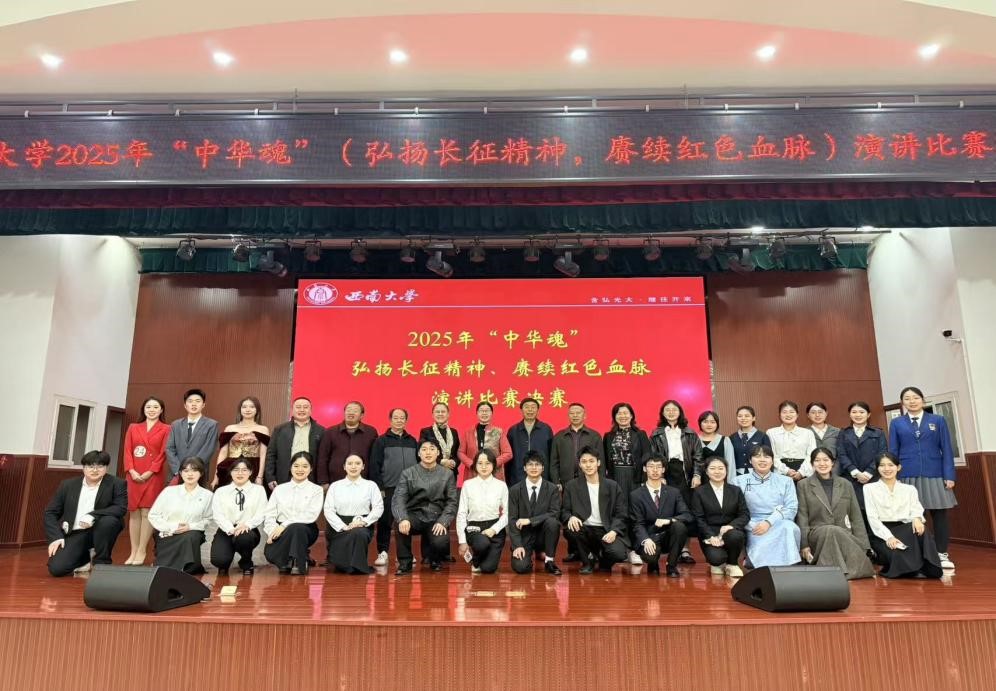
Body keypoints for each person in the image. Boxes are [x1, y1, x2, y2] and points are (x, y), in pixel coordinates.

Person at [888, 386, 957, 570]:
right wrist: (893, 476)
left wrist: (949, 475)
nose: (912, 401)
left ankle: (942, 554)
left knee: (939, 515)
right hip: (907, 474)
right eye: (907, 398)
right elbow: (893, 451)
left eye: (915, 397)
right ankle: (920, 555)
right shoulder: (897, 423)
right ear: (902, 402)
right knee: (913, 516)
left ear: (923, 400)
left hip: (935, 473)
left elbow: (947, 449)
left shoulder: (938, 420)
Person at [44, 450, 127, 577]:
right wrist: (56, 537)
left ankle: (101, 562)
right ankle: (85, 558)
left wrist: (93, 515)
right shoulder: (68, 485)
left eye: (100, 466)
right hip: (76, 532)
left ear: (106, 468)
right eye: (90, 466)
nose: (95, 470)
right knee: (57, 569)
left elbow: (120, 508)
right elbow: (50, 512)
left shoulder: (117, 483)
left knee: (108, 521)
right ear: (83, 467)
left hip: (101, 529)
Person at [796, 448, 874, 580]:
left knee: (834, 531)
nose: (822, 463)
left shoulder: (845, 484)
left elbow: (856, 517)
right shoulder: (803, 485)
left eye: (826, 460)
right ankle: (841, 574)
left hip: (843, 534)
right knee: (830, 530)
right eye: (817, 460)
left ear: (832, 463)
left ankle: (831, 575)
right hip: (817, 535)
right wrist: (804, 545)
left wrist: (864, 546)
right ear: (812, 464)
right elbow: (802, 517)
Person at [864, 452, 943, 579]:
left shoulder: (909, 489)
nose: (887, 469)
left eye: (891, 465)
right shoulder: (869, 488)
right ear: (877, 468)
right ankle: (913, 568)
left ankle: (930, 567)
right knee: (897, 553)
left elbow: (916, 508)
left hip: (905, 529)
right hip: (881, 533)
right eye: (882, 465)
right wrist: (889, 537)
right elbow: (872, 518)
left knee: (922, 530)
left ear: (898, 467)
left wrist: (917, 518)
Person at [392, 439, 459, 575]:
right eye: (424, 449)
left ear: (438, 453)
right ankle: (405, 563)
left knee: (441, 541)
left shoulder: (447, 474)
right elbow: (399, 498)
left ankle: (435, 560)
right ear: (419, 453)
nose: (428, 452)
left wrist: (443, 521)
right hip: (414, 515)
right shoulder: (408, 473)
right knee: (399, 523)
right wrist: (402, 518)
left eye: (432, 449)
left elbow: (452, 501)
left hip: (436, 517)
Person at [648, 400, 703, 564]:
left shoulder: (690, 433)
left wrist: (697, 475)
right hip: (666, 472)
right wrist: (659, 475)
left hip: (685, 475)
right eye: (667, 410)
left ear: (680, 412)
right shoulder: (656, 434)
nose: (671, 412)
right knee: (666, 510)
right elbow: (654, 456)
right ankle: (669, 548)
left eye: (674, 409)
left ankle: (685, 549)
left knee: (684, 510)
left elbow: (698, 457)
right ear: (662, 413)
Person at [561, 447, 629, 574]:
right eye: (584, 462)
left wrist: (614, 531)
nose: (588, 465)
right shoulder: (571, 486)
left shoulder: (612, 486)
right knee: (572, 529)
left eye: (591, 461)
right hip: (584, 529)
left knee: (619, 554)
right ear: (580, 465)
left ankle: (602, 560)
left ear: (598, 463)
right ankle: (587, 562)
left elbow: (621, 514)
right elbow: (564, 511)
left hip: (606, 529)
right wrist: (570, 517)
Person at [732, 445, 801, 568]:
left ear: (772, 461)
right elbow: (735, 510)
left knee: (789, 527)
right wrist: (753, 525)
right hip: (753, 524)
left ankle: (788, 569)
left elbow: (791, 508)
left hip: (778, 522)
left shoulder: (786, 481)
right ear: (750, 460)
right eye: (757, 456)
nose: (762, 460)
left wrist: (769, 522)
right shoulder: (738, 481)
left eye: (767, 456)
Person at [122, 396, 170, 565]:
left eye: (155, 407)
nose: (151, 410)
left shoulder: (166, 429)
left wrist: (150, 471)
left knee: (146, 512)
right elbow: (127, 450)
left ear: (161, 410)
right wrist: (131, 470)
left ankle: (142, 549)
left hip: (153, 475)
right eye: (148, 406)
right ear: (143, 409)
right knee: (134, 512)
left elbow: (163, 453)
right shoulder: (133, 427)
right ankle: (133, 550)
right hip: (134, 474)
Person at [369, 408, 419, 567]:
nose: (399, 420)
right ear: (390, 420)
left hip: (409, 489)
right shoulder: (381, 441)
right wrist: (380, 487)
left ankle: (404, 554)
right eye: (396, 418)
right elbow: (374, 465)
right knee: (385, 521)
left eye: (402, 418)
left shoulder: (413, 441)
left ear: (406, 420)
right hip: (388, 487)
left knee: (405, 520)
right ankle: (382, 552)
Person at [603, 402, 652, 565]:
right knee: (617, 512)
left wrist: (644, 480)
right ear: (614, 417)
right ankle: (619, 548)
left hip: (634, 477)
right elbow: (605, 461)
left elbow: (647, 457)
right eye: (619, 413)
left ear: (631, 416)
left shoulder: (640, 434)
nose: (623, 416)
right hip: (615, 478)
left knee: (634, 513)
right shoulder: (608, 436)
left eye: (626, 413)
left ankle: (634, 550)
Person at [148, 457, 213, 575]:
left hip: (191, 533)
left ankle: (186, 568)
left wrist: (190, 526)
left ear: (201, 473)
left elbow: (208, 519)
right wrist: (171, 527)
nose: (190, 474)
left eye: (194, 470)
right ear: (180, 473)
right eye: (186, 470)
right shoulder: (169, 491)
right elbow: (153, 515)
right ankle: (168, 566)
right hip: (168, 531)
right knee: (163, 570)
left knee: (191, 536)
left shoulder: (207, 495)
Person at [264, 451, 323, 575]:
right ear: (290, 467)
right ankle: (298, 557)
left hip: (306, 529)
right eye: (296, 466)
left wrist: (284, 525)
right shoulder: (279, 489)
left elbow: (311, 515)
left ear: (311, 469)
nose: (300, 470)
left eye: (305, 466)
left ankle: (297, 562)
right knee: (270, 554)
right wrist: (272, 532)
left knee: (296, 528)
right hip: (280, 530)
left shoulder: (316, 490)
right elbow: (269, 514)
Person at [630, 455, 690, 577]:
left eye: (658, 467)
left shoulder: (673, 492)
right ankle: (653, 564)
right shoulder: (635, 495)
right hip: (649, 536)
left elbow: (687, 515)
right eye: (651, 466)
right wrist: (645, 540)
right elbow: (637, 523)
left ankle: (671, 565)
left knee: (680, 527)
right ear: (645, 469)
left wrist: (669, 520)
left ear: (663, 469)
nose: (655, 470)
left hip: (668, 536)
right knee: (650, 556)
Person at [324, 454, 384, 574]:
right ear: (344, 466)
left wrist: (364, 522)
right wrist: (343, 526)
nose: (353, 466)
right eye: (350, 463)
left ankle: (358, 566)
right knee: (338, 564)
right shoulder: (335, 486)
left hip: (362, 525)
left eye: (357, 463)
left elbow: (378, 507)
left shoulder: (371, 485)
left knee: (359, 533)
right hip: (338, 527)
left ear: (363, 466)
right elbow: (328, 509)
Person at [691, 456, 749, 577]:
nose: (717, 472)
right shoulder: (699, 492)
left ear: (726, 470)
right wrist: (710, 536)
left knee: (736, 535)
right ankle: (719, 562)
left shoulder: (736, 490)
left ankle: (732, 564)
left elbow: (744, 514)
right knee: (717, 559)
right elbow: (699, 518)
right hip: (710, 532)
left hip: (729, 531)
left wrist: (731, 526)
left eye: (721, 468)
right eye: (712, 468)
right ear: (706, 471)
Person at [507, 450, 563, 575]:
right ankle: (527, 557)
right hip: (524, 536)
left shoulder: (552, 489)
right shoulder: (515, 490)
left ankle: (549, 561)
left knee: (553, 523)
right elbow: (512, 519)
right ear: (524, 468)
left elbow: (554, 513)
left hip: (543, 535)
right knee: (521, 568)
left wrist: (530, 521)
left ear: (543, 468)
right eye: (530, 464)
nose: (534, 467)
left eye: (537, 464)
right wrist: (517, 545)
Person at [210, 459, 267, 576]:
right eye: (236, 470)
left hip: (248, 530)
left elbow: (262, 512)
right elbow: (218, 514)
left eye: (244, 470)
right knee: (219, 560)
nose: (240, 473)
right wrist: (231, 529)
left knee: (244, 538)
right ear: (230, 472)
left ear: (250, 472)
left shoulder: (259, 490)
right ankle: (225, 563)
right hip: (226, 529)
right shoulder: (221, 491)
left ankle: (246, 561)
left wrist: (247, 525)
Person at [456, 449, 509, 574]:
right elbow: (462, 514)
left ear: (494, 465)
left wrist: (494, 529)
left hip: (495, 529)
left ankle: (480, 560)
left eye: (488, 463)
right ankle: (476, 559)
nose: (484, 467)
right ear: (475, 465)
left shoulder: (501, 485)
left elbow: (507, 513)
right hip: (474, 528)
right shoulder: (468, 485)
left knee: (488, 569)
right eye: (480, 463)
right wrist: (462, 541)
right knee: (482, 543)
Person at [835, 401, 888, 522]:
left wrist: (869, 472)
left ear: (868, 414)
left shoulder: (878, 432)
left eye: (861, 412)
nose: (858, 415)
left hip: (873, 478)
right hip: (850, 478)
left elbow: (882, 454)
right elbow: (841, 454)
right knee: (855, 514)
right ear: (850, 414)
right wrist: (855, 472)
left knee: (875, 514)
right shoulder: (843, 433)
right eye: (854, 412)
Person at [264, 396, 325, 490]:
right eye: (298, 407)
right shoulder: (280, 429)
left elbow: (323, 458)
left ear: (311, 410)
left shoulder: (320, 431)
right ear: (292, 410)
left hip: (311, 478)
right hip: (284, 477)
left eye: (305, 407)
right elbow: (271, 454)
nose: (302, 410)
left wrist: (323, 480)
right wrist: (270, 477)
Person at [317, 401, 378, 487]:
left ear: (361, 415)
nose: (351, 413)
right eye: (348, 410)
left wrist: (375, 482)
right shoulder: (330, 432)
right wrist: (323, 481)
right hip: (335, 481)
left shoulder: (371, 432)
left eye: (355, 411)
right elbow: (322, 458)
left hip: (364, 482)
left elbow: (375, 459)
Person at [213, 396, 270, 488]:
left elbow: (263, 454)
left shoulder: (263, 429)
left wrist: (260, 476)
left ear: (257, 410)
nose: (248, 409)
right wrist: (216, 476)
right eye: (244, 407)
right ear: (240, 409)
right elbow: (223, 453)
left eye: (252, 407)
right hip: (230, 467)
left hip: (253, 467)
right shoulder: (230, 428)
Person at [165, 389, 219, 484]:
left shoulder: (211, 425)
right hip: (177, 474)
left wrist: (192, 470)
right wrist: (179, 470)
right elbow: (170, 449)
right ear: (185, 405)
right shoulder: (176, 424)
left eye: (197, 401)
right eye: (190, 401)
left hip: (199, 474)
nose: (194, 404)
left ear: (203, 405)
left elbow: (208, 450)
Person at [458, 401, 513, 487]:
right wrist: (471, 464)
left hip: (494, 473)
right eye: (481, 410)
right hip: (473, 472)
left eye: (487, 410)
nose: (484, 413)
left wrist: (493, 463)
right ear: (477, 413)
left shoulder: (498, 432)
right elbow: (460, 452)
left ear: (491, 413)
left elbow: (508, 453)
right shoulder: (468, 432)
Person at [550, 403, 603, 490]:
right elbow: (554, 462)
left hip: (590, 480)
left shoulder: (594, 436)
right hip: (565, 482)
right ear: (568, 416)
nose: (575, 415)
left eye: (578, 413)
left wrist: (601, 481)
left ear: (584, 415)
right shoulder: (559, 436)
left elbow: (601, 461)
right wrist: (556, 481)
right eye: (572, 413)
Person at [506, 397, 553, 487]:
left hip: (541, 475)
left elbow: (551, 455)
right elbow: (509, 457)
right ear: (521, 410)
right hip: (518, 476)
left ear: (537, 410)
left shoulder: (546, 429)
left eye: (533, 407)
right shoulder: (513, 430)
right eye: (527, 407)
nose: (530, 410)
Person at [766, 400, 816, 480]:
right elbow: (771, 455)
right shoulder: (771, 433)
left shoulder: (808, 433)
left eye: (792, 412)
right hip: (780, 472)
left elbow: (812, 455)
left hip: (803, 471)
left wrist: (801, 473)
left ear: (797, 415)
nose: (788, 415)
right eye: (784, 412)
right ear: (779, 415)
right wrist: (786, 471)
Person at [418, 401, 461, 485]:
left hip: (451, 474)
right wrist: (441, 462)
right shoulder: (426, 432)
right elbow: (422, 454)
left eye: (443, 411)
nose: (440, 414)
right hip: (432, 474)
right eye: (437, 412)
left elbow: (458, 453)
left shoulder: (454, 432)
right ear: (433, 414)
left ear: (448, 414)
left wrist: (454, 462)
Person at [730, 405, 770, 477]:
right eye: (740, 416)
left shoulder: (763, 436)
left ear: (753, 418)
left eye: (747, 416)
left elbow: (768, 457)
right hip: (737, 475)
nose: (743, 418)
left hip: (759, 474)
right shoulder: (732, 438)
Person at [697, 410, 735, 479]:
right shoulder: (694, 440)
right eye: (705, 422)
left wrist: (730, 482)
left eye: (712, 422)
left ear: (717, 424)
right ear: (700, 423)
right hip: (699, 481)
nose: (709, 425)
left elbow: (730, 463)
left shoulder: (725, 440)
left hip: (720, 480)